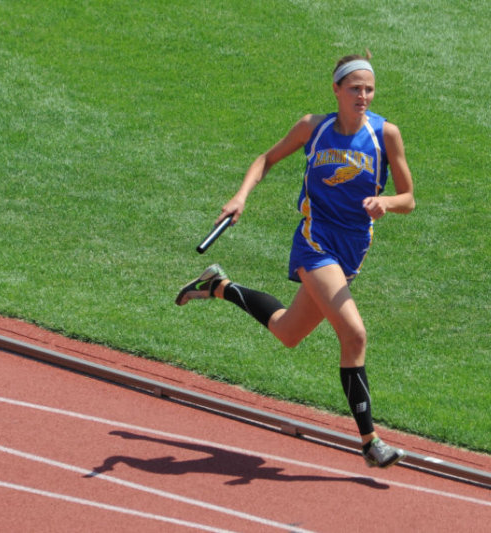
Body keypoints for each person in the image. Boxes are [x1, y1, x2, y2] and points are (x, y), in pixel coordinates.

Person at [176, 52, 415, 468]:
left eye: (369, 89)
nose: (363, 96)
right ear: (336, 90)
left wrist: (386, 203)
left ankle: (217, 286)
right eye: (355, 88)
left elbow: (409, 199)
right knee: (354, 336)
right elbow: (265, 160)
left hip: (352, 250)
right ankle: (371, 443)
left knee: (288, 332)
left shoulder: (385, 135)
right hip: (314, 242)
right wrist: (240, 196)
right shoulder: (313, 128)